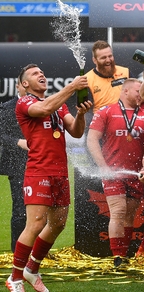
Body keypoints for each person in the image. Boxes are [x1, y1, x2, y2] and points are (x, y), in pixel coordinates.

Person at [7, 64, 91, 292]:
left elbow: (76, 131)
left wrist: (81, 113)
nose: (41, 74)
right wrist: (72, 86)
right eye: (35, 74)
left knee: (58, 224)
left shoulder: (59, 105)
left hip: (60, 172)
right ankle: (14, 278)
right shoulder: (24, 102)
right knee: (35, 224)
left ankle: (31, 269)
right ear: (25, 84)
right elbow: (42, 110)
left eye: (42, 72)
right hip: (39, 170)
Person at [87, 79, 144, 268]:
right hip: (113, 173)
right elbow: (92, 140)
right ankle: (117, 257)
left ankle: (123, 255)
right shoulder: (106, 111)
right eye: (139, 91)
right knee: (118, 212)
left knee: (130, 215)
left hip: (136, 173)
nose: (142, 94)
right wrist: (103, 167)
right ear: (125, 91)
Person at [0, 80, 28, 253]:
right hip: (18, 165)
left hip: (42, 164)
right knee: (20, 209)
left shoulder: (44, 105)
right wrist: (18, 142)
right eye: (24, 84)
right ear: (17, 86)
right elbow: (1, 135)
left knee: (43, 211)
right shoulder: (6, 107)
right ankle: (17, 252)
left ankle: (38, 253)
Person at [85, 40, 130, 113]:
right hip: (102, 120)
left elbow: (139, 94)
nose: (108, 60)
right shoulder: (87, 80)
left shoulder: (125, 72)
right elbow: (86, 111)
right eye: (103, 58)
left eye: (110, 56)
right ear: (94, 60)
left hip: (127, 117)